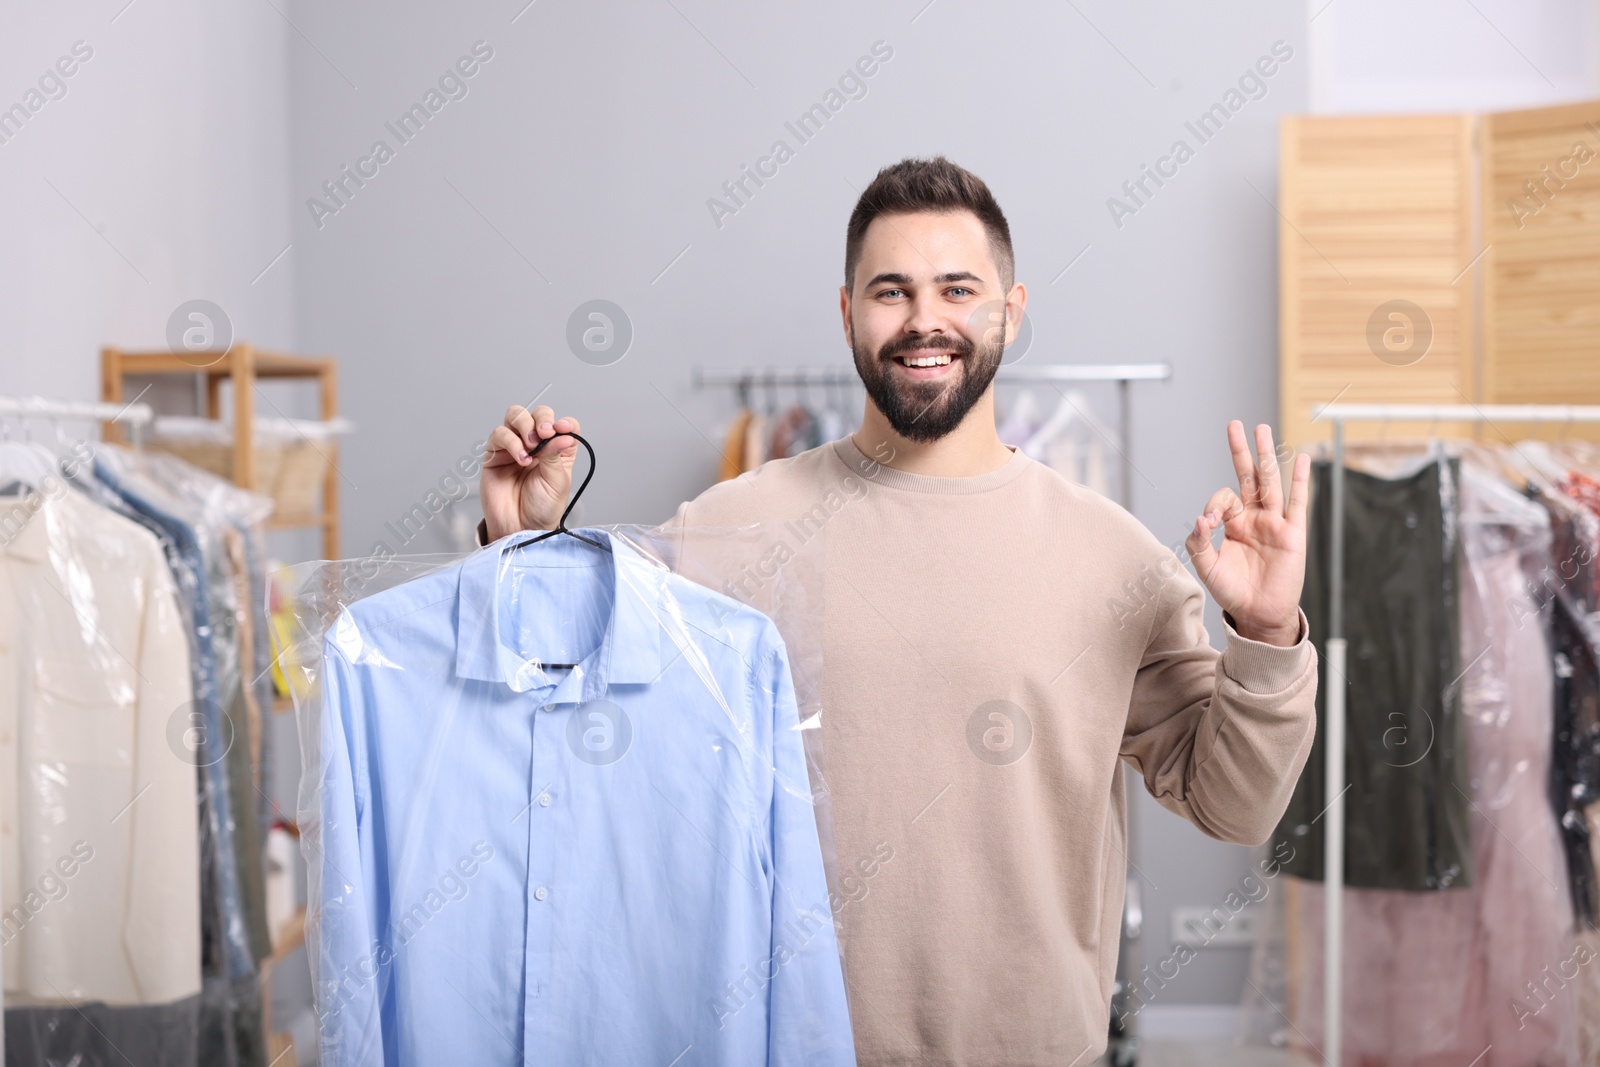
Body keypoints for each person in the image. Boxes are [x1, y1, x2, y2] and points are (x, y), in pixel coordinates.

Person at [476, 156, 1316, 1065]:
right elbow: (563, 714)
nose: (926, 319)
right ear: (847, 313)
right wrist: (524, 545)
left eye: (959, 288)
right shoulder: (728, 529)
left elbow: (1237, 807)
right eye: (891, 290)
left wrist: (1266, 635)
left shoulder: (1117, 559)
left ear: (1011, 309)